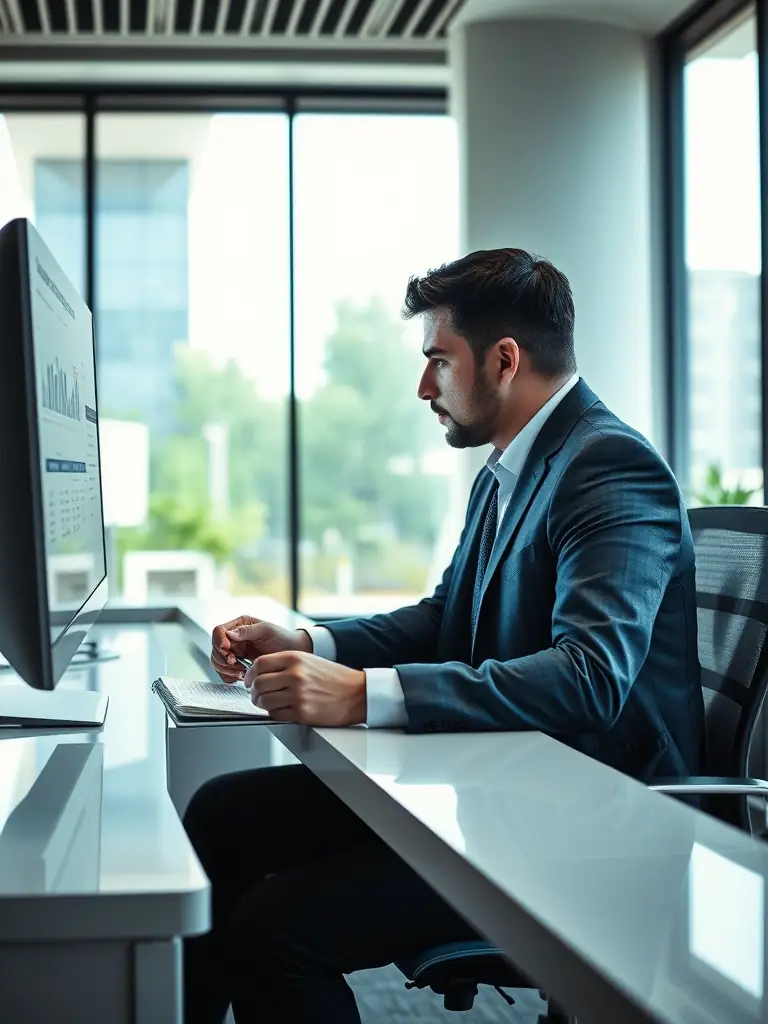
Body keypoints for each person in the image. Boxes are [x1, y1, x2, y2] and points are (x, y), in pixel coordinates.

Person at [183, 248, 705, 1024]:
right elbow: (444, 617)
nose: (424, 387)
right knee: (222, 815)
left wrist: (361, 695)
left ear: (504, 360)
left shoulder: (610, 466)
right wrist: (309, 642)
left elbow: (590, 677)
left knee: (274, 931)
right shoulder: (506, 472)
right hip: (503, 789)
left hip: (591, 830)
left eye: (438, 360)